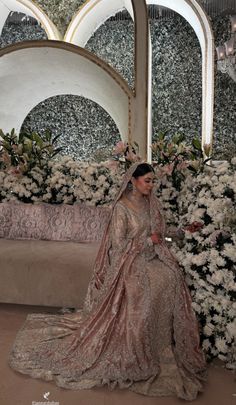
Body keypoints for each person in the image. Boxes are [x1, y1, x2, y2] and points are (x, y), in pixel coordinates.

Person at [9, 163, 206, 400]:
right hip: (128, 263)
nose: (152, 185)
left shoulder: (151, 202)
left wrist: (182, 232)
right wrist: (148, 242)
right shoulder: (121, 208)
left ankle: (160, 343)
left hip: (151, 257)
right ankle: (137, 345)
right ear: (133, 181)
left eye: (154, 181)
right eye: (147, 180)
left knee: (171, 276)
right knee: (149, 287)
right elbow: (119, 244)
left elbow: (161, 232)